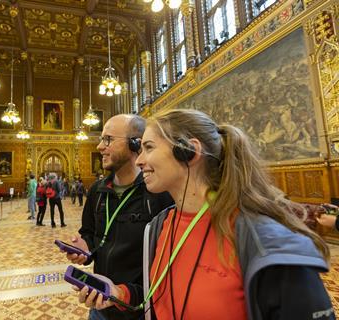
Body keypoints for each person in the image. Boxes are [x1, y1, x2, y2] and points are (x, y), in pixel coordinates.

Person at [79, 109, 333, 320]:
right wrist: (120, 293)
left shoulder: (266, 242)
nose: (139, 160)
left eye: (148, 147)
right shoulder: (160, 226)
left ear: (189, 151)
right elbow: (159, 298)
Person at [65, 114, 174, 320]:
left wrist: (125, 293)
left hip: (140, 309)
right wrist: (86, 248)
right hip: (100, 306)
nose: (99, 146)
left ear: (135, 144)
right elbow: (90, 233)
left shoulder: (158, 192)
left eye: (108, 139)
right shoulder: (98, 190)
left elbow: (169, 266)